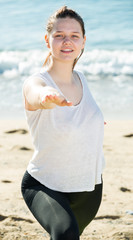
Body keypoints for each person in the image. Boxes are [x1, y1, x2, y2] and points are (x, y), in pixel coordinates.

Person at [21, 6, 105, 240]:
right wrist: (48, 97)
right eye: (59, 35)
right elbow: (36, 94)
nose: (67, 41)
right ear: (47, 40)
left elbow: (81, 119)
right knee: (66, 234)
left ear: (83, 42)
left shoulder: (82, 79)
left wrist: (95, 124)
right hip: (44, 185)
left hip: (90, 187)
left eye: (74, 36)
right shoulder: (35, 82)